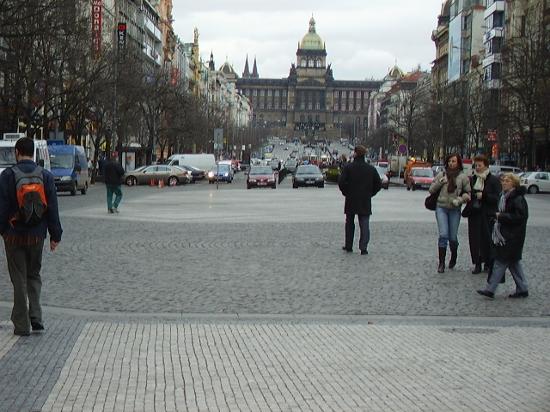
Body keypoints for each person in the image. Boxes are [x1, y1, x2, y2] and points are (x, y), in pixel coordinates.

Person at [0, 137, 62, 336]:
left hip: (14, 234)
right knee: (34, 274)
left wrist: (2, 230)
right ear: (33, 152)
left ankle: (21, 324)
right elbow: (52, 208)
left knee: (19, 278)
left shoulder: (7, 176)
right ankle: (36, 317)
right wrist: (55, 235)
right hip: (37, 235)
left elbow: (1, 208)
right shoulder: (46, 176)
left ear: (17, 152)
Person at [477, 173, 529, 299]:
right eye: (503, 180)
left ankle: (490, 289)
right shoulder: (504, 196)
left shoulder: (517, 198)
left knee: (500, 261)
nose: (504, 182)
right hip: (506, 233)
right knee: (513, 263)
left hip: (512, 236)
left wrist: (501, 216)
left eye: (507, 181)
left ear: (513, 183)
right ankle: (522, 288)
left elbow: (520, 217)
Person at [428, 153, 471, 273]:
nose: (451, 163)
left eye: (454, 161)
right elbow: (431, 190)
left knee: (452, 237)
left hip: (454, 209)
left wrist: (460, 200)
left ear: (458, 163)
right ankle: (441, 263)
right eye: (450, 161)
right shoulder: (441, 174)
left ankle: (454, 255)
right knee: (443, 235)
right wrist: (440, 182)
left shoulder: (463, 177)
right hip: (441, 207)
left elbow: (468, 193)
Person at [338, 145, 382, 255]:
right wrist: (370, 194)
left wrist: (346, 192)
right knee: (364, 223)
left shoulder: (349, 167)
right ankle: (363, 247)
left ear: (356, 154)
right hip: (365, 199)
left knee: (349, 223)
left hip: (351, 198)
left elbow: (341, 182)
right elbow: (378, 184)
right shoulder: (370, 168)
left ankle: (349, 246)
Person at [465, 155, 501, 274]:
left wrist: (484, 196)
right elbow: (467, 192)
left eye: (480, 165)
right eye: (476, 165)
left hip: (488, 214)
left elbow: (497, 198)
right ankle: (477, 263)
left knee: (487, 239)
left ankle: (488, 263)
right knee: (475, 240)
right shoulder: (472, 179)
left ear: (486, 165)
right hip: (475, 213)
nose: (478, 167)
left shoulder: (493, 180)